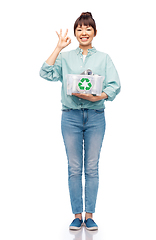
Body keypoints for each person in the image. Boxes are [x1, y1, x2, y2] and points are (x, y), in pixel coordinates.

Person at [39, 12, 121, 231]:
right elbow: (45, 72)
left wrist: (99, 96)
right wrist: (58, 48)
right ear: (75, 33)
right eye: (79, 29)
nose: (83, 33)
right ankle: (77, 215)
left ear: (95, 32)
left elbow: (115, 85)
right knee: (75, 168)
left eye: (88, 29)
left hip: (95, 117)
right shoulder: (65, 58)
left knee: (91, 168)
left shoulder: (104, 58)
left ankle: (90, 215)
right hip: (70, 117)